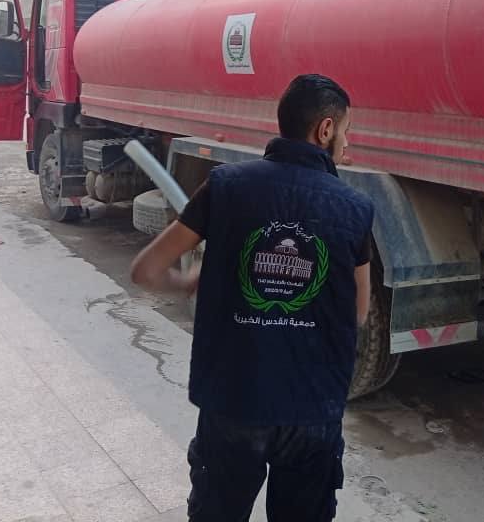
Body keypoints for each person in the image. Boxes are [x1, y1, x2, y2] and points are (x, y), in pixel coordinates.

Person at [131, 74, 374, 522]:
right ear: (324, 130)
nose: (347, 142)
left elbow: (145, 270)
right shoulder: (355, 209)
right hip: (311, 410)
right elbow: (358, 314)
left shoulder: (226, 186)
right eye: (346, 131)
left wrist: (189, 281)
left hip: (233, 403)